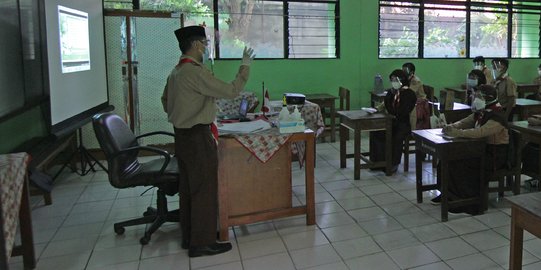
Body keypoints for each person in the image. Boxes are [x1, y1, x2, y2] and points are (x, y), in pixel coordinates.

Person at [161, 25, 255, 257]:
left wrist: (189, 109)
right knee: (204, 188)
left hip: (181, 136)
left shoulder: (176, 71)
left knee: (189, 188)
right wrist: (245, 66)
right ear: (195, 45)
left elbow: (165, 101)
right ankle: (202, 243)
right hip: (197, 137)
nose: (205, 48)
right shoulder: (195, 72)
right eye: (204, 43)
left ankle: (189, 236)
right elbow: (232, 90)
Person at [432, 85, 509, 215]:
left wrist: (458, 133)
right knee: (446, 159)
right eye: (474, 96)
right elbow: (463, 122)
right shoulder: (481, 112)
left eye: (478, 96)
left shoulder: (497, 116)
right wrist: (450, 126)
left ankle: (466, 202)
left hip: (494, 155)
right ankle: (447, 194)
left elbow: (480, 132)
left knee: (459, 164)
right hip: (478, 150)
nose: (474, 99)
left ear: (489, 98)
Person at [371, 69, 417, 173]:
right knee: (377, 132)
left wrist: (392, 109)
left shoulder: (409, 94)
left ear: (402, 80)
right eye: (391, 80)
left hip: (403, 124)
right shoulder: (392, 92)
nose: (393, 83)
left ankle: (393, 163)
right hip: (392, 121)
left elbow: (401, 112)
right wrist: (390, 95)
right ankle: (379, 162)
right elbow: (387, 106)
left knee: (396, 136)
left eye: (395, 80)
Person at [402, 62, 429, 130]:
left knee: (410, 107)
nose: (403, 72)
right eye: (403, 70)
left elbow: (410, 93)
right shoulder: (405, 79)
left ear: (411, 72)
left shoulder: (416, 81)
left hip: (419, 101)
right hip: (409, 99)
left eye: (405, 71)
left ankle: (412, 131)